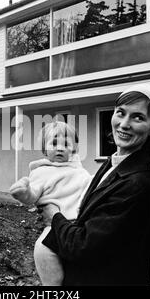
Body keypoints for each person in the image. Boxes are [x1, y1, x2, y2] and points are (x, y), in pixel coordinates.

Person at [40, 83, 150, 286]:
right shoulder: (115, 162)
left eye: (138, 117)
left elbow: (83, 246)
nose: (124, 124)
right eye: (121, 113)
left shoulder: (139, 182)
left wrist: (54, 215)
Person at [9, 121, 92, 285]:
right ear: (44, 149)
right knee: (42, 248)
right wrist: (23, 193)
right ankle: (52, 284)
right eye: (54, 143)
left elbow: (91, 190)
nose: (60, 148)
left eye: (66, 144)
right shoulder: (41, 172)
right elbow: (33, 195)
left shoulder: (80, 172)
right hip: (53, 225)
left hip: (80, 225)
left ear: (74, 149)